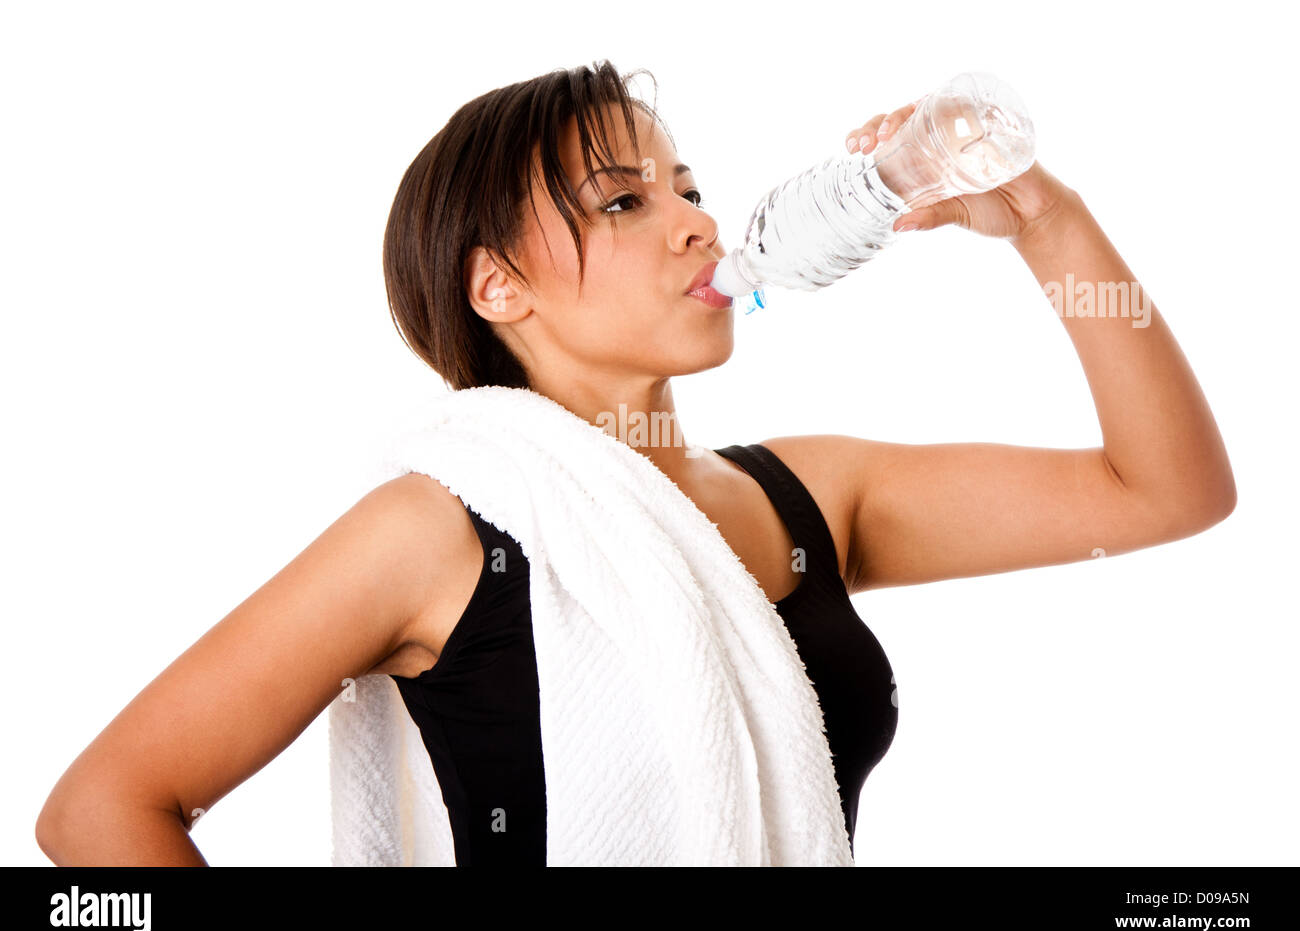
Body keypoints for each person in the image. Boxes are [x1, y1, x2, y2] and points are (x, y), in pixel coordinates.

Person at [35, 59, 1236, 866]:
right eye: (621, 202)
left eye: (691, 187)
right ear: (496, 284)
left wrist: (1046, 220)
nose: (698, 222)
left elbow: (1166, 491)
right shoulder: (438, 527)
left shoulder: (810, 495)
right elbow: (101, 811)